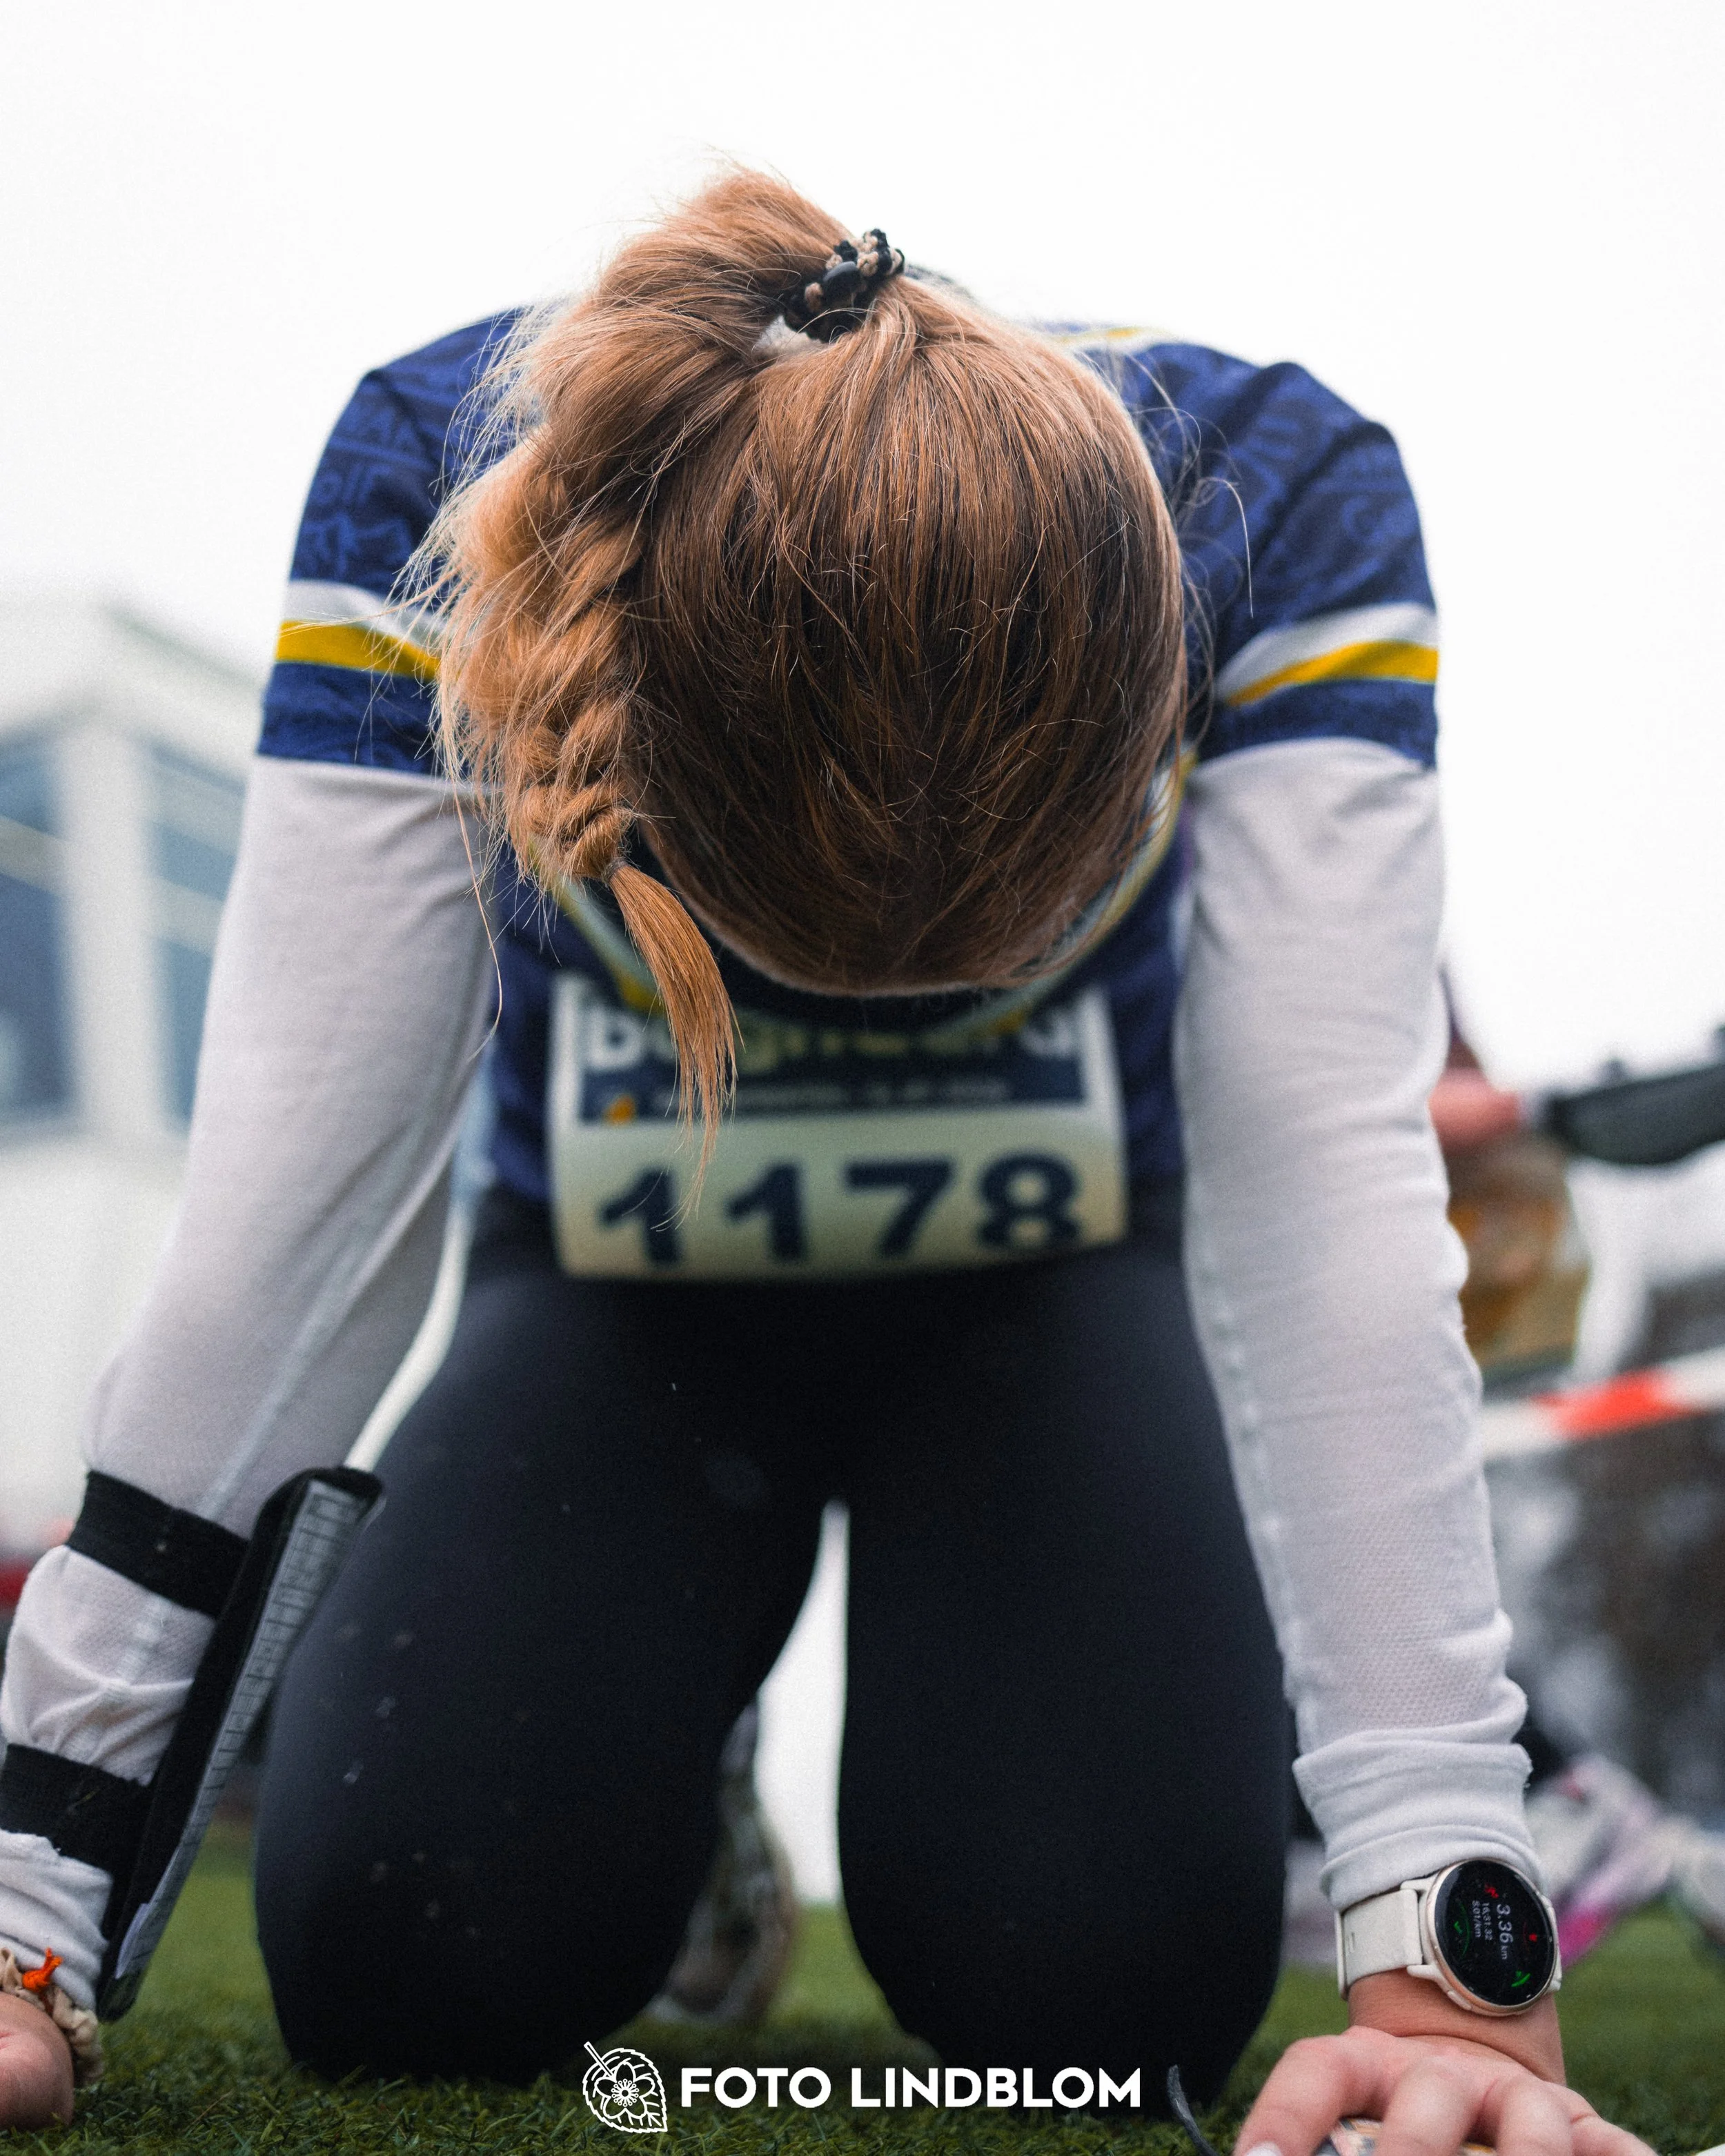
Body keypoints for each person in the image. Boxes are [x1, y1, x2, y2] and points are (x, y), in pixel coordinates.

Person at [0, 172, 1650, 2152]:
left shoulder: (1276, 508)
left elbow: (1324, 1202)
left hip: (1048, 1293)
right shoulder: (443, 491)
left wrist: (1449, 1963)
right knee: (406, 1970)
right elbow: (290, 1223)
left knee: (1101, 2006)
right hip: (620, 1302)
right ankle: (676, 1773)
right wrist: (26, 1914)